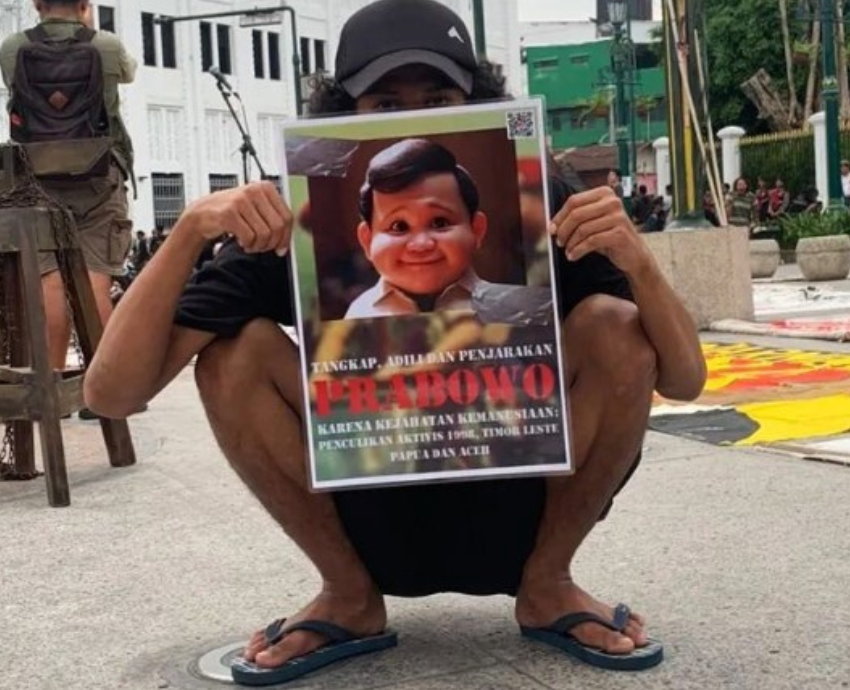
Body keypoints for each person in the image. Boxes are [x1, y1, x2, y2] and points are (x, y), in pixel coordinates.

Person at [85, 0, 706, 684]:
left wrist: (640, 263)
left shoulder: (542, 195)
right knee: (234, 354)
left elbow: (681, 380)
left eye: (439, 97)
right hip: (362, 525)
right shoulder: (295, 216)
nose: (414, 112)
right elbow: (112, 393)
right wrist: (189, 230)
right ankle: (347, 597)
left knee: (615, 328)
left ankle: (550, 585)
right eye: (385, 100)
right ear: (345, 116)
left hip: (524, 515)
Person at [0, 0, 137, 419]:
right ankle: (104, 390)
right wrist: (88, 28)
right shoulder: (107, 45)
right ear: (84, 5)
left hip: (35, 181)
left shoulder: (11, 48)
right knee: (97, 283)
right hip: (98, 175)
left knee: (50, 287)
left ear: (37, 5)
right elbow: (128, 73)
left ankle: (53, 387)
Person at [345, 138, 552, 324]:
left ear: (476, 230)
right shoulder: (358, 314)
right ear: (367, 240)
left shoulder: (510, 310)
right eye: (399, 226)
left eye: (439, 222)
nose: (421, 244)